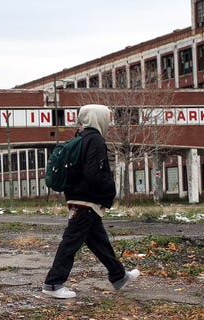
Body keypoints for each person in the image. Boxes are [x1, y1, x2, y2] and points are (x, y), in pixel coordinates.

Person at [42, 104, 139, 299]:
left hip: (80, 199)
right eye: (107, 117)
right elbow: (94, 173)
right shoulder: (95, 140)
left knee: (99, 241)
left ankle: (118, 276)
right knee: (70, 242)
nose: (109, 122)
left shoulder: (80, 138)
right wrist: (110, 189)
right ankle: (53, 284)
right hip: (86, 201)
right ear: (99, 118)